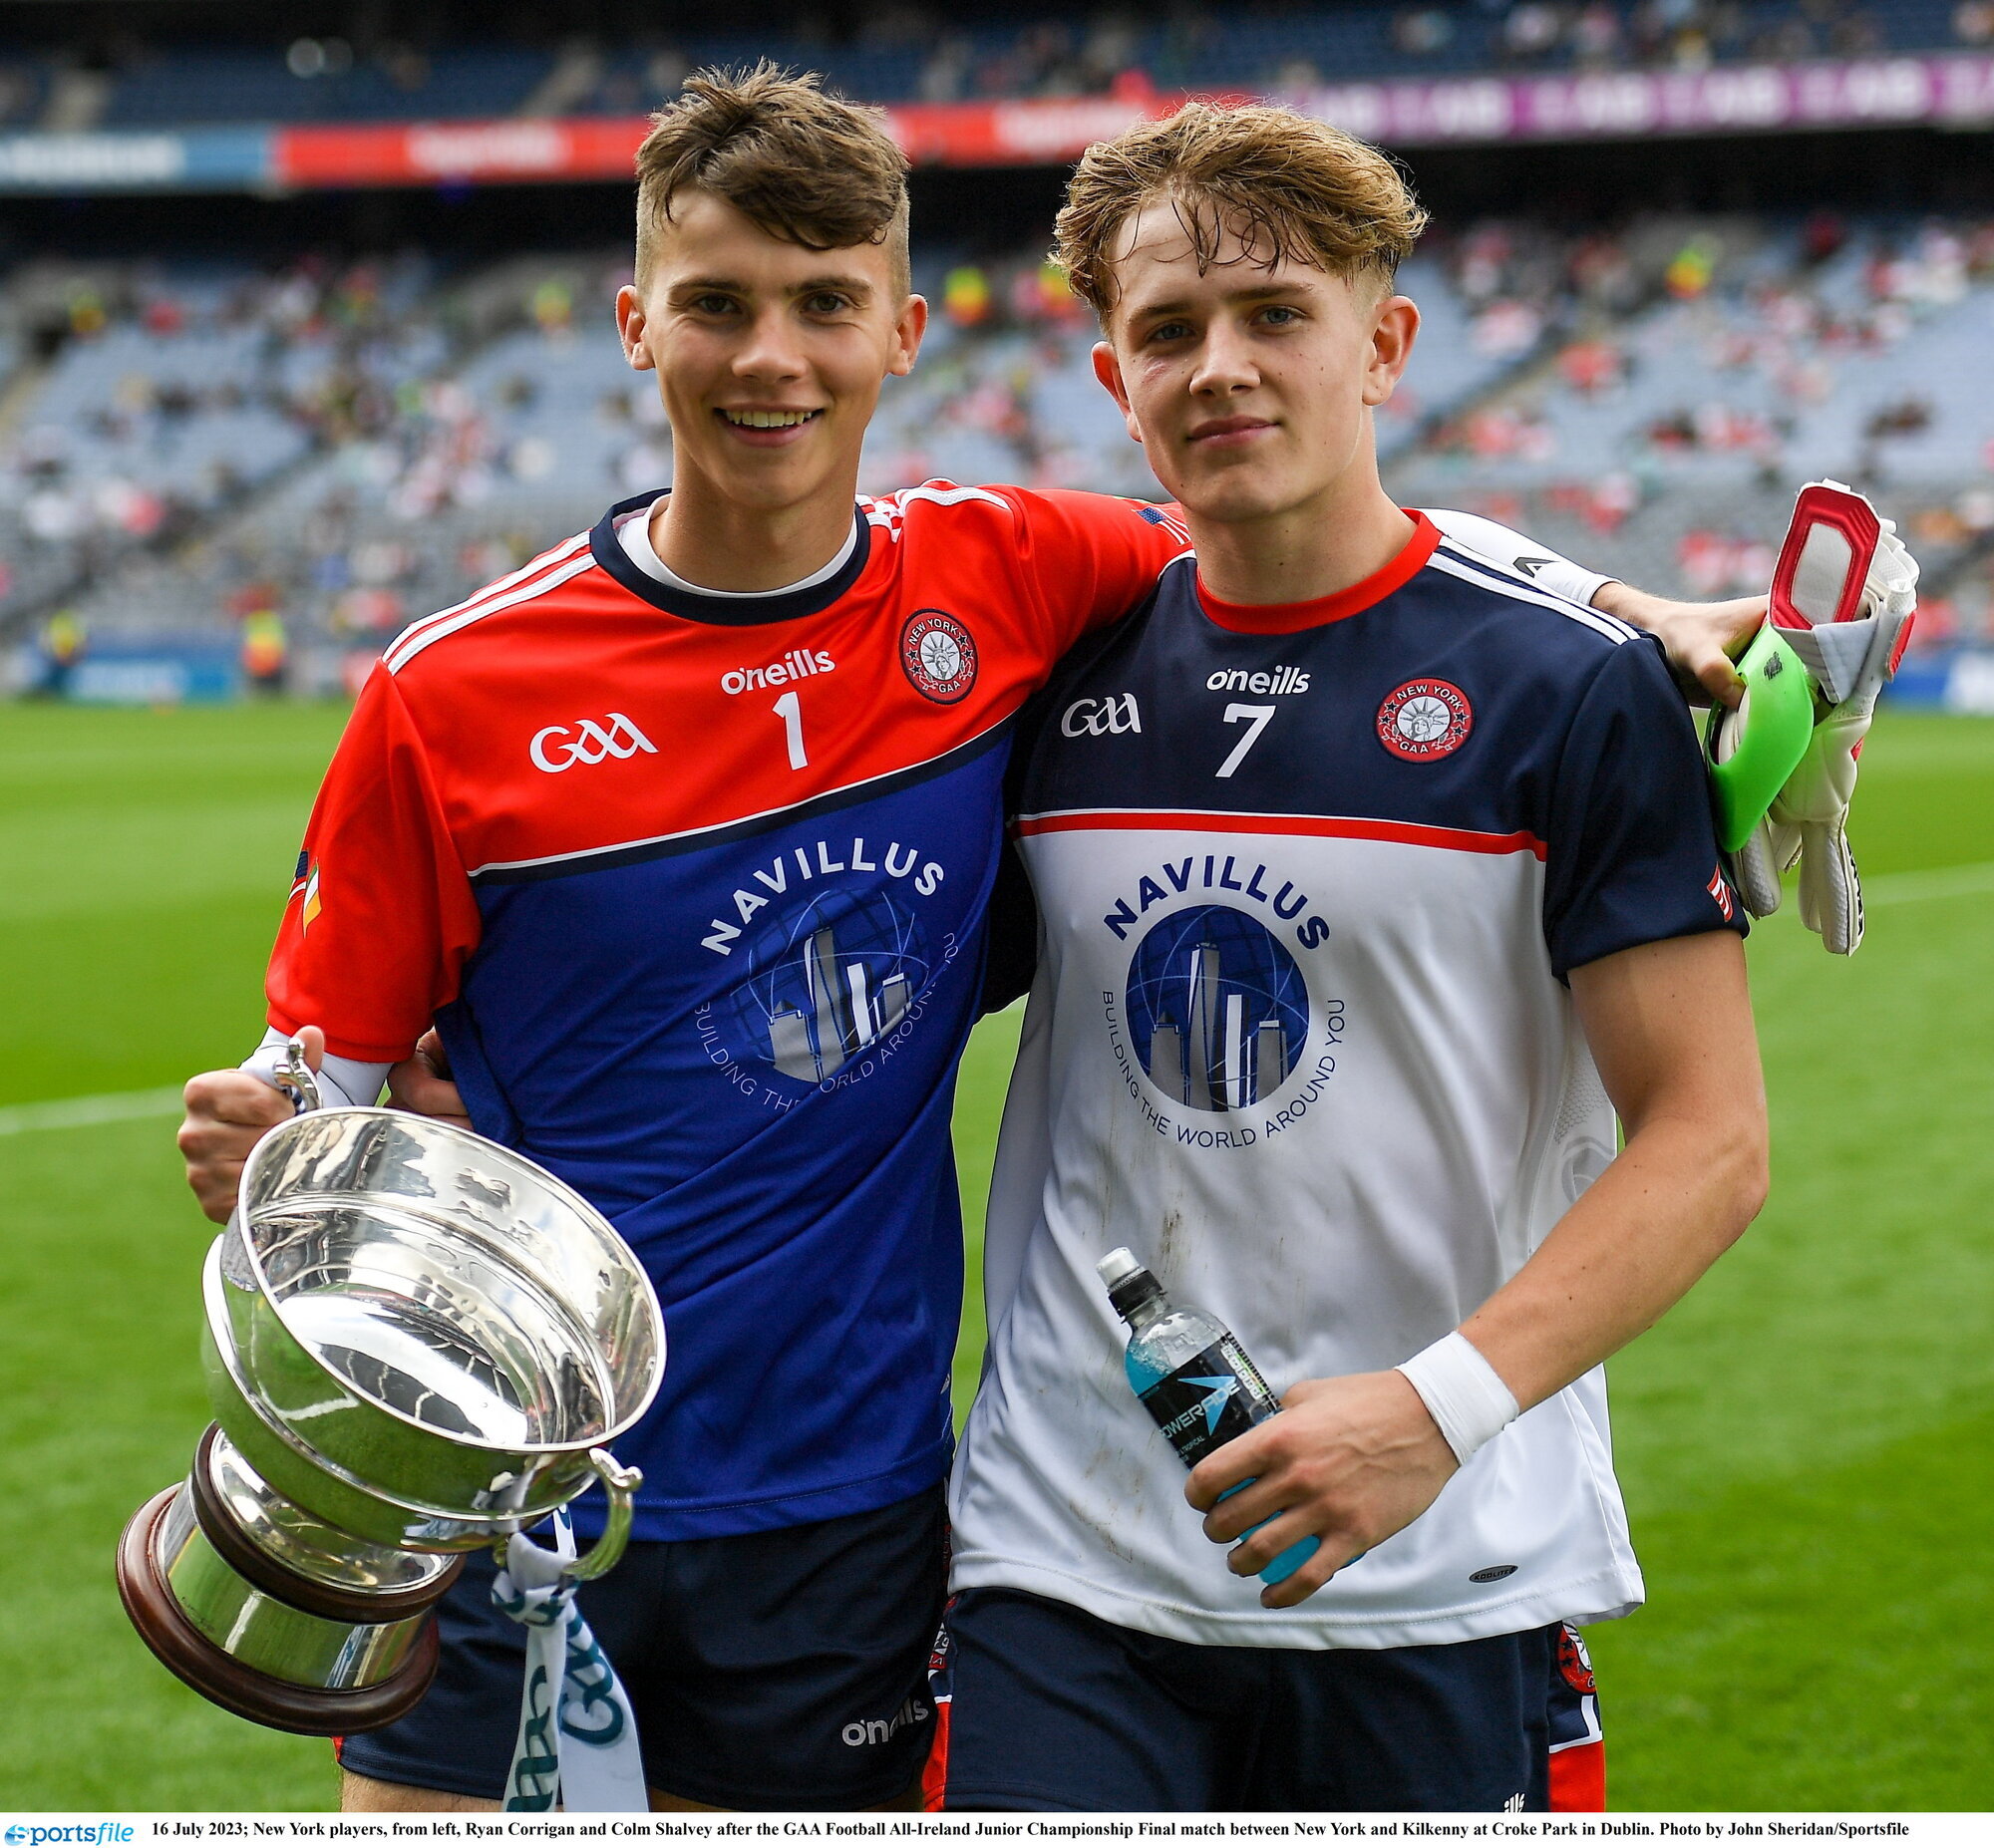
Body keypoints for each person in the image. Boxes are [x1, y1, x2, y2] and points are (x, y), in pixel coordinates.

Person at [174, 68, 1757, 1814]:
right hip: (531, 1493)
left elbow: (1327, 541)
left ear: (901, 332)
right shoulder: (453, 690)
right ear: (636, 325)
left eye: (824, 302)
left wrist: (1610, 605)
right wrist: (281, 1140)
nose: (772, 356)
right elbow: (311, 1094)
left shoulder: (1002, 578)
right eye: (716, 304)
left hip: (849, 1515)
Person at [931, 102, 1772, 1812]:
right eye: (1169, 329)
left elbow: (1711, 1140)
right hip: (1064, 1556)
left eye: (1276, 315)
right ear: (1113, 380)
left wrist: (1430, 1409)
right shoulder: (1056, 673)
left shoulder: (1566, 688)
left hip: (1438, 1562)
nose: (1221, 367)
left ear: (1383, 347)